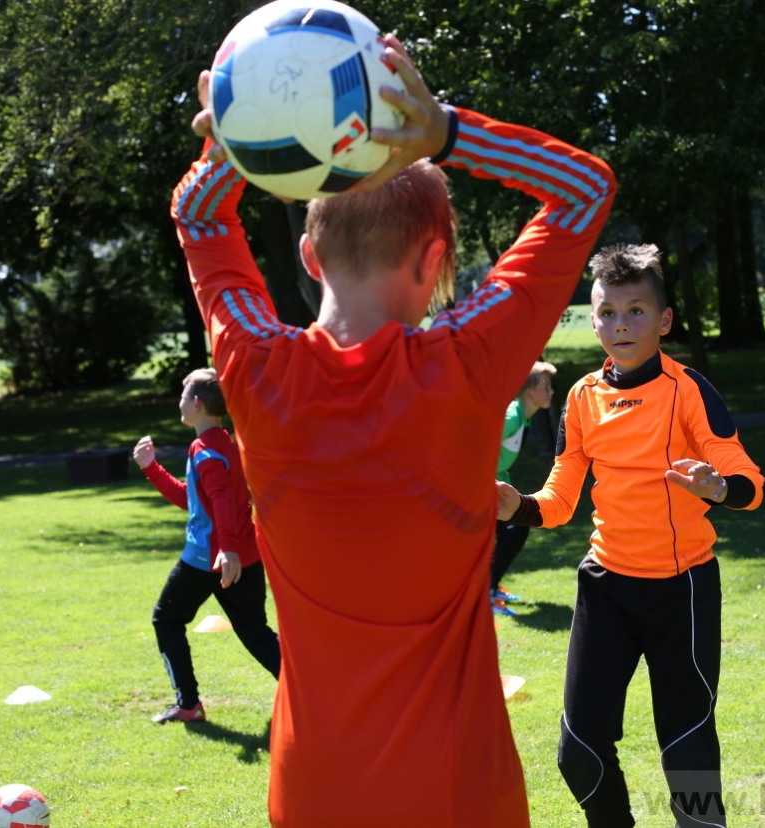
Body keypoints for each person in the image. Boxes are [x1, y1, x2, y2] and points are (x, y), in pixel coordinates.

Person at [172, 34, 615, 828]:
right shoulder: (467, 360)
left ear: (309, 255)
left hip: (312, 793)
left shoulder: (253, 365)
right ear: (436, 255)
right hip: (456, 793)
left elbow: (195, 216)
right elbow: (585, 188)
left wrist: (240, 137)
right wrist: (444, 130)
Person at [496, 243, 765, 828]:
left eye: (636, 310)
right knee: (579, 752)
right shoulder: (582, 397)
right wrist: (513, 505)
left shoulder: (689, 389)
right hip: (606, 589)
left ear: (664, 320)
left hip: (683, 590)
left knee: (688, 753)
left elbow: (749, 480)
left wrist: (719, 488)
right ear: (592, 321)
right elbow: (559, 502)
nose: (621, 324)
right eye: (608, 312)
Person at [132, 368, 281, 725]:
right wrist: (151, 469)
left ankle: (189, 704)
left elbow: (220, 501)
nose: (179, 402)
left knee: (165, 619)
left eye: (183, 395)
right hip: (242, 557)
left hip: (208, 558)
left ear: (196, 404)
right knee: (256, 633)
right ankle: (312, 692)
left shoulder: (206, 451)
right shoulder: (223, 443)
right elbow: (195, 499)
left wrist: (225, 548)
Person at [491, 360, 557, 616]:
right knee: (511, 533)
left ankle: (491, 588)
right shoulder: (512, 415)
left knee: (513, 533)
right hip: (477, 490)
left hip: (491, 487)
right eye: (547, 387)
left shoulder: (522, 417)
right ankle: (486, 594)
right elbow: (477, 444)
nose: (551, 392)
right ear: (530, 393)